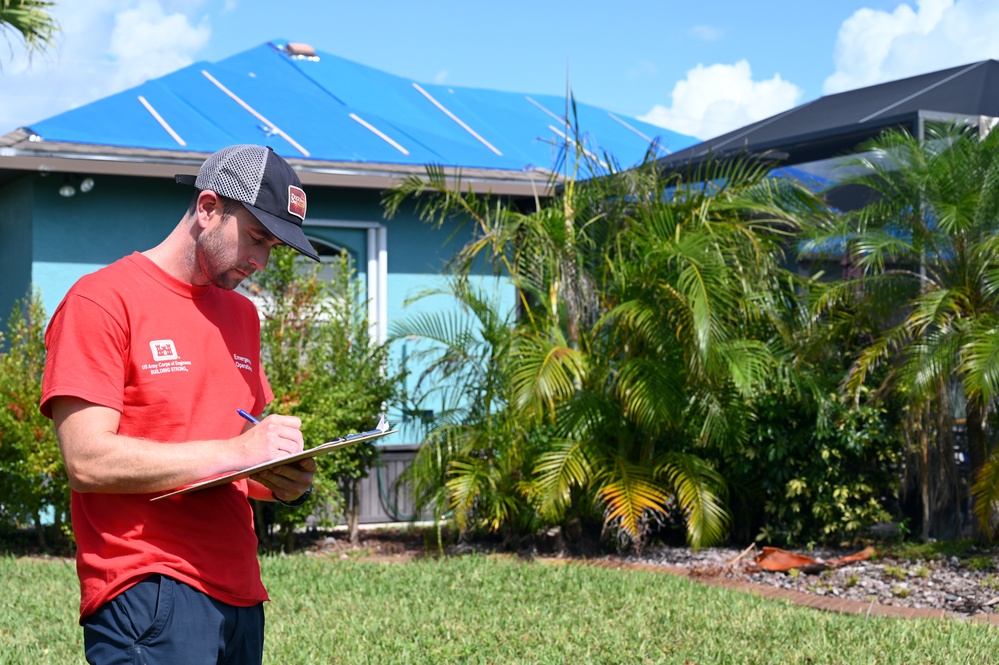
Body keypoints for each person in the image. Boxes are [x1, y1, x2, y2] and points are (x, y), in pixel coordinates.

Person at [40, 144, 321, 665]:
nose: (261, 261)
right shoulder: (101, 301)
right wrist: (241, 453)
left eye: (274, 247)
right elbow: (87, 460)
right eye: (257, 238)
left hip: (240, 592)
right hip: (148, 589)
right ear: (209, 208)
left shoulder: (242, 316)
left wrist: (281, 479)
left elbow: (239, 458)